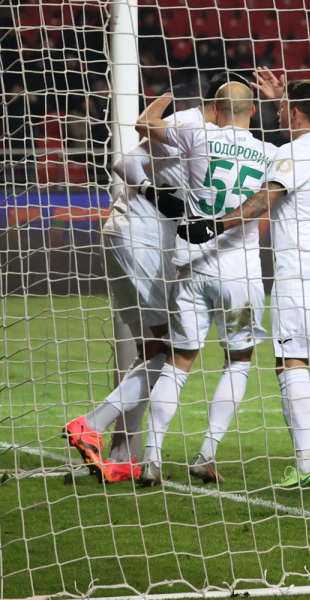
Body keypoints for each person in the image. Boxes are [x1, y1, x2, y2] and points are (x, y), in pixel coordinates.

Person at [180, 76, 310, 485]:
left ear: (296, 113)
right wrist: (284, 97)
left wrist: (214, 225)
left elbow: (263, 199)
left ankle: (306, 465)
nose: (276, 113)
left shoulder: (290, 153)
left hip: (301, 274)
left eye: (282, 108)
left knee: (289, 364)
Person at [63, 75, 233, 483]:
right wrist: (156, 195)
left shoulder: (197, 133)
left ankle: (121, 455)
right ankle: (91, 424)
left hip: (127, 237)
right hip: (141, 241)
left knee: (150, 349)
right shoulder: (190, 125)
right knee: (169, 351)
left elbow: (132, 161)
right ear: (217, 107)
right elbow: (124, 163)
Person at [136, 81, 278, 487]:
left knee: (179, 362)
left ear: (214, 109)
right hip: (240, 275)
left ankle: (151, 459)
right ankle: (206, 454)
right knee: (239, 360)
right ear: (253, 112)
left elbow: (144, 123)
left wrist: (168, 96)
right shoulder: (271, 153)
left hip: (191, 266)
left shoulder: (196, 134)